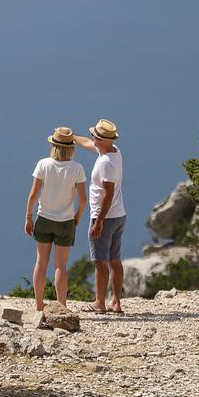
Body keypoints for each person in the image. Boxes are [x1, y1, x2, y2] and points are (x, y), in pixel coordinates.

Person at [24, 126, 86, 310]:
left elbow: (34, 193)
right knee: (61, 266)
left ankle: (39, 304)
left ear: (54, 146)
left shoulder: (43, 164)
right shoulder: (77, 168)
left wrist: (28, 216)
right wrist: (77, 217)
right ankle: (62, 306)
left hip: (43, 219)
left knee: (41, 263)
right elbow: (83, 199)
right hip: (66, 222)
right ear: (71, 147)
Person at [75, 118, 125, 314]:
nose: (92, 139)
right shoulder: (114, 152)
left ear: (103, 140)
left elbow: (108, 193)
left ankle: (99, 303)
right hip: (119, 214)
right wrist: (72, 137)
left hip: (105, 217)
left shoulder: (105, 163)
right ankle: (116, 302)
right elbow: (88, 144)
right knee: (114, 259)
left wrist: (99, 221)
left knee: (100, 261)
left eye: (95, 136)